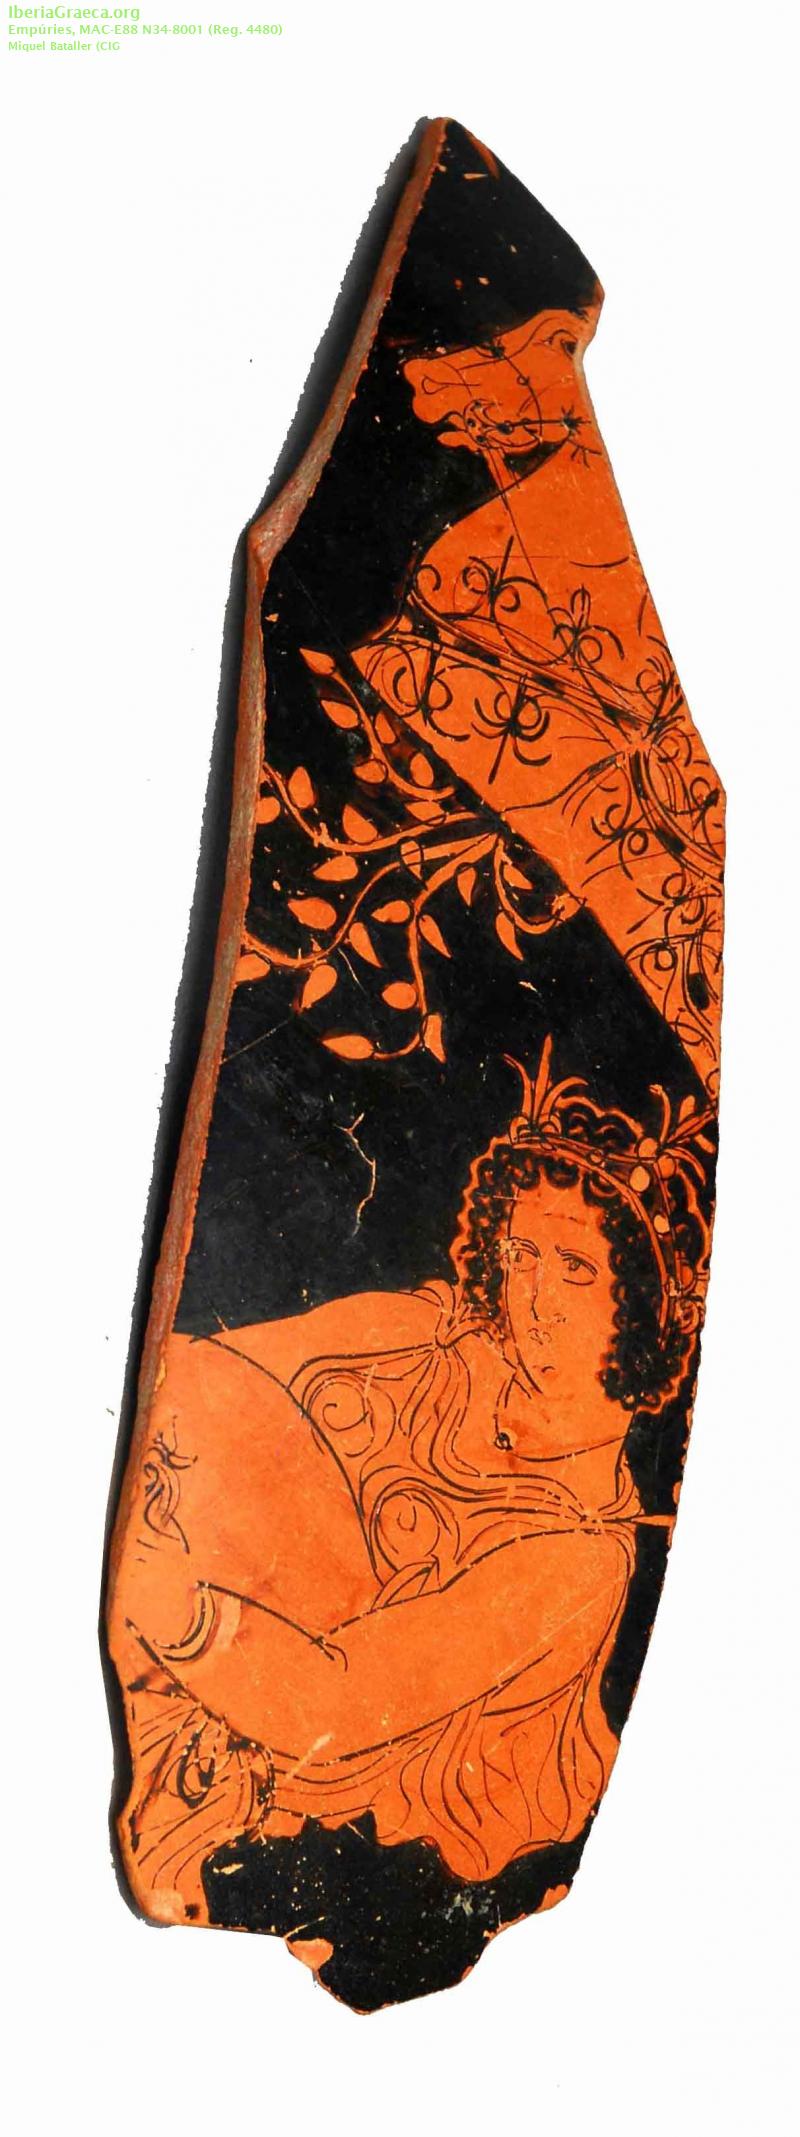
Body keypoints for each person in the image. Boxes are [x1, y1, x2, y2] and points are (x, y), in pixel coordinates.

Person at [112, 1041, 711, 1921]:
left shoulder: (581, 1555)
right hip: (213, 1625)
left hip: (317, 1800)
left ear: (643, 1307)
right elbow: (205, 1374)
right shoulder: (429, 1331)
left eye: (577, 1268)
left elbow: (335, 1700)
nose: (533, 1297)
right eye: (522, 1253)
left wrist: (170, 1603)